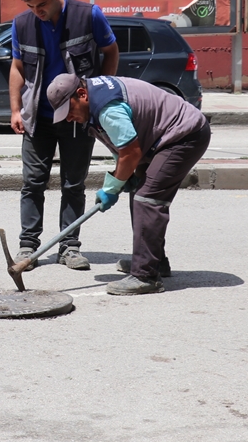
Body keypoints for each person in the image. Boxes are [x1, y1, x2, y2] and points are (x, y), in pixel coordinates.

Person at [47, 73, 211, 295]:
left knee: (147, 199)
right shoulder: (96, 99)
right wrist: (123, 176)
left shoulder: (107, 108)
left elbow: (131, 153)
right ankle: (153, 261)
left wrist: (111, 188)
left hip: (184, 135)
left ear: (82, 94)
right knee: (140, 192)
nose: (68, 118)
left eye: (69, 110)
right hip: (163, 137)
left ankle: (146, 276)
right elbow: (121, 145)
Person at [8, 0, 119, 270]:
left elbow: (110, 51)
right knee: (33, 182)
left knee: (73, 183)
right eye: (31, 6)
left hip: (76, 116)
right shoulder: (21, 24)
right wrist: (16, 109)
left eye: (41, 4)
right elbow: (17, 67)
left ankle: (69, 247)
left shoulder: (89, 15)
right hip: (38, 118)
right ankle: (28, 246)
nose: (37, 12)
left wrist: (100, 95)